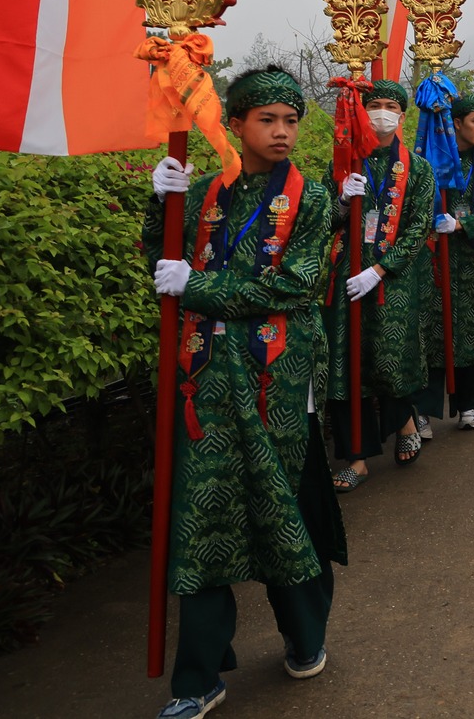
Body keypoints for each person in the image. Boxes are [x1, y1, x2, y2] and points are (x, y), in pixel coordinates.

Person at [146, 67, 345, 718]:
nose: (282, 131)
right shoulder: (203, 194)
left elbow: (295, 284)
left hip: (278, 385)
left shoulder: (311, 200)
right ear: (235, 124)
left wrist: (198, 287)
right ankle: (197, 678)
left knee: (283, 510)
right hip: (205, 385)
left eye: (291, 120)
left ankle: (305, 636)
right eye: (267, 120)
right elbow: (162, 265)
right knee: (203, 520)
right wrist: (159, 204)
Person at [325, 79, 435, 491]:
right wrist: (340, 200)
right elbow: (323, 219)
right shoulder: (345, 161)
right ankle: (357, 457)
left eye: (391, 106)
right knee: (346, 363)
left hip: (394, 279)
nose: (382, 113)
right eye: (375, 105)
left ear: (402, 115)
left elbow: (418, 227)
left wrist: (380, 269)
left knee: (390, 357)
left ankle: (404, 419)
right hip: (347, 274)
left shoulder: (418, 169)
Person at [412, 92, 474, 433]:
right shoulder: (430, 162)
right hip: (435, 265)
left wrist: (463, 224)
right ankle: (424, 411)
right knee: (432, 336)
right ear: (456, 123)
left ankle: (470, 405)